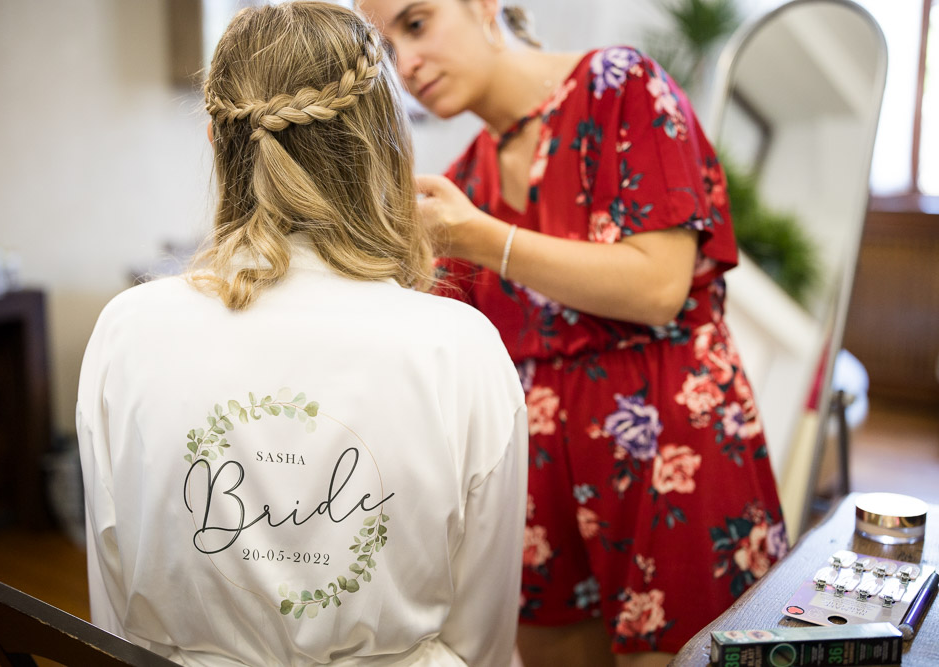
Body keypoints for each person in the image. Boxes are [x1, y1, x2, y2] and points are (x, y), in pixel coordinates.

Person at [76, 3, 528, 665]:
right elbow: (480, 639)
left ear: (214, 140)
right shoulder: (460, 349)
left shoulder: (127, 330)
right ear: (383, 142)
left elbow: (113, 606)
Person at [358, 1, 787, 665]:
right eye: (387, 47)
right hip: (540, 489)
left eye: (415, 24)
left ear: (481, 6)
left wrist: (482, 238)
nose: (405, 64)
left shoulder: (621, 88)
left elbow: (657, 287)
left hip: (671, 459)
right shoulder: (466, 180)